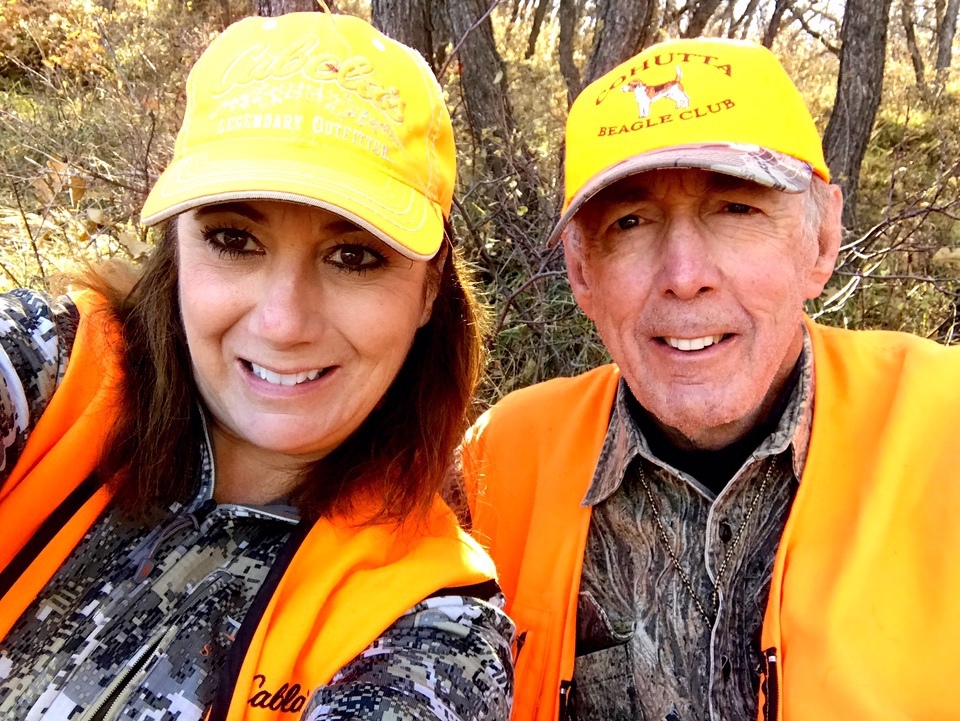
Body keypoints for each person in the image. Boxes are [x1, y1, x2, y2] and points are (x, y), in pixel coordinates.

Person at [0, 12, 514, 721]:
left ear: (429, 291)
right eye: (234, 239)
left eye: (354, 255)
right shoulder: (52, 369)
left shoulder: (433, 622)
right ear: (177, 249)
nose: (282, 321)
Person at [461, 37, 960, 721]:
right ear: (582, 272)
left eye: (736, 209)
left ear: (821, 240)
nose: (684, 273)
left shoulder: (944, 426)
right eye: (631, 222)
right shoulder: (502, 466)